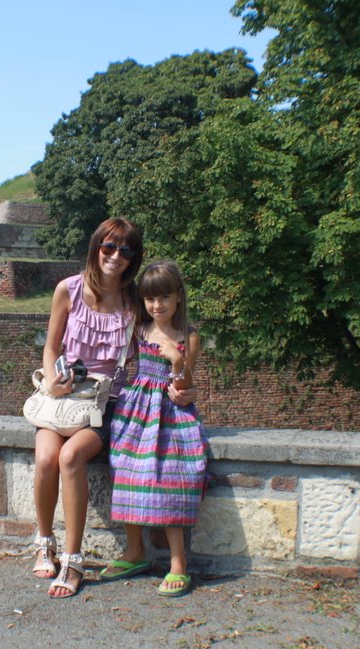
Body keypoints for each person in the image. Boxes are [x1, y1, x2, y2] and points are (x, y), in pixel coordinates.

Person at [31, 217, 144, 599]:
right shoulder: (68, 290)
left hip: (104, 404)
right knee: (45, 458)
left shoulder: (133, 302)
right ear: (96, 248)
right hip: (63, 399)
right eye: (109, 246)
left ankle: (73, 559)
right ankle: (44, 541)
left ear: (134, 258)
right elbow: (51, 347)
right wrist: (51, 381)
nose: (116, 256)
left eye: (126, 250)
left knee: (70, 457)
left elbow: (159, 342)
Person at [100, 261, 211, 597]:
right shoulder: (140, 328)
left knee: (170, 476)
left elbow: (185, 384)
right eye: (150, 299)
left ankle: (178, 562)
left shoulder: (188, 336)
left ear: (178, 297)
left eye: (164, 297)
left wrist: (176, 361)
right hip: (136, 410)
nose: (157, 305)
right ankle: (135, 550)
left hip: (170, 413)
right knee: (127, 470)